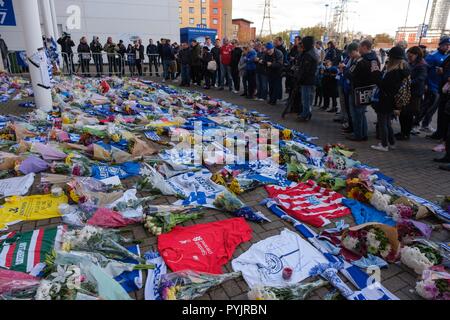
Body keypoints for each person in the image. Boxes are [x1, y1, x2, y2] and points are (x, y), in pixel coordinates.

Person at [371, 47, 411, 152]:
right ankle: (392, 142)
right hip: (391, 99)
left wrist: (376, 73)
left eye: (389, 56)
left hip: (386, 99)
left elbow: (384, 85)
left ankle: (384, 145)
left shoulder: (394, 72)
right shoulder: (402, 69)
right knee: (387, 122)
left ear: (393, 58)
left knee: (383, 122)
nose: (388, 57)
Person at [346, 39, 381, 141]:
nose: (358, 49)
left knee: (357, 114)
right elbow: (377, 75)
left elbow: (350, 74)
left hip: (357, 89)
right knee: (361, 113)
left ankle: (358, 135)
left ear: (364, 47)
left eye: (360, 47)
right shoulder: (375, 60)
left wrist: (344, 70)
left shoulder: (361, 60)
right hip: (368, 89)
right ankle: (363, 133)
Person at [415, 37, 450, 135]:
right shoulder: (432, 56)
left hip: (439, 87)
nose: (448, 47)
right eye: (446, 44)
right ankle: (415, 124)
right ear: (441, 44)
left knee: (433, 108)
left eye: (449, 45)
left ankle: (425, 125)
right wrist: (425, 84)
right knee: (425, 106)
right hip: (431, 86)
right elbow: (424, 70)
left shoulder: (446, 56)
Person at [396, 46, 428, 141]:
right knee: (403, 113)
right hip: (408, 91)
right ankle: (403, 132)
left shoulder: (422, 65)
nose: (409, 57)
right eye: (408, 56)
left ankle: (406, 134)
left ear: (417, 55)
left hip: (414, 93)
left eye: (411, 56)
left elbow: (420, 79)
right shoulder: (412, 63)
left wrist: (407, 83)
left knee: (408, 114)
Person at [296, 36, 320, 121]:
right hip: (311, 79)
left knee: (306, 99)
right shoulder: (313, 52)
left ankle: (305, 114)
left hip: (307, 80)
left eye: (303, 43)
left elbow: (305, 69)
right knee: (309, 98)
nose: (302, 44)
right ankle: (307, 113)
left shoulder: (308, 54)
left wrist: (300, 78)